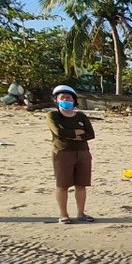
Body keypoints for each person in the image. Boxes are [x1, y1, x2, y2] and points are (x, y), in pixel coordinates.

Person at [46, 85, 96, 224]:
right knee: (63, 185)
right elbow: (59, 133)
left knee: (81, 185)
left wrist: (70, 134)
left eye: (68, 97)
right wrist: (77, 132)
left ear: (74, 100)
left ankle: (81, 213)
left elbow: (90, 134)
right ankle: (64, 215)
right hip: (63, 153)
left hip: (82, 153)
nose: (65, 100)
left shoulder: (81, 116)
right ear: (56, 100)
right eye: (62, 98)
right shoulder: (53, 115)